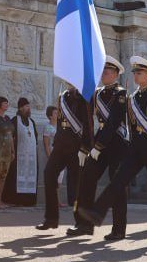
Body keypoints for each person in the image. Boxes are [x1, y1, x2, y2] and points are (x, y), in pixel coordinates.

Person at [81, 56, 147, 246]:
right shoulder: (132, 98)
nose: (135, 75)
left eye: (139, 73)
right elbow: (123, 122)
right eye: (134, 72)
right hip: (135, 148)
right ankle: (97, 212)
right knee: (118, 180)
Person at [66, 56, 127, 239]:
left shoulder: (121, 94)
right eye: (102, 72)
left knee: (116, 186)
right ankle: (84, 225)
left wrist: (98, 147)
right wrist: (85, 147)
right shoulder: (97, 94)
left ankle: (118, 229)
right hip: (98, 143)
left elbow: (114, 122)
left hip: (116, 143)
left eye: (107, 72)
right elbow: (89, 123)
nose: (103, 75)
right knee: (86, 179)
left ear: (116, 74)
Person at [37, 84, 88, 230]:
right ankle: (51, 218)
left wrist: (86, 147)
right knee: (49, 174)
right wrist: (57, 141)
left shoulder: (84, 96)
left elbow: (88, 124)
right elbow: (60, 122)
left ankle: (82, 222)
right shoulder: (62, 97)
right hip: (60, 146)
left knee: (76, 185)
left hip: (77, 147)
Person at [7, 97, 38, 207]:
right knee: (17, 176)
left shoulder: (32, 121)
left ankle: (29, 200)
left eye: (29, 106)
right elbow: (10, 136)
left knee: (30, 176)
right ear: (20, 108)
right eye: (26, 106)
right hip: (19, 153)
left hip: (31, 155)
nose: (28, 108)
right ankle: (17, 200)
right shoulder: (15, 120)